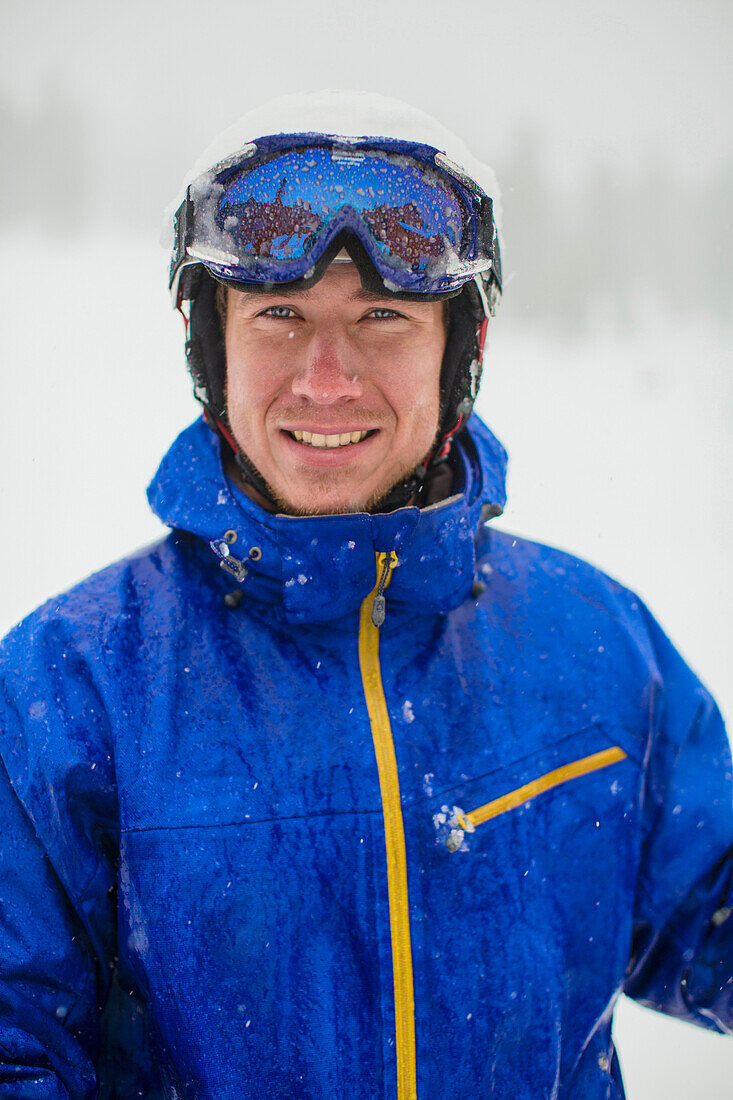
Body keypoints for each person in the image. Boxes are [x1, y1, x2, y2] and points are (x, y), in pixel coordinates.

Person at [0, 90, 730, 1100]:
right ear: (210, 350)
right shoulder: (69, 687)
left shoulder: (594, 642)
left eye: (382, 316)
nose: (326, 379)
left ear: (461, 350)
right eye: (278, 316)